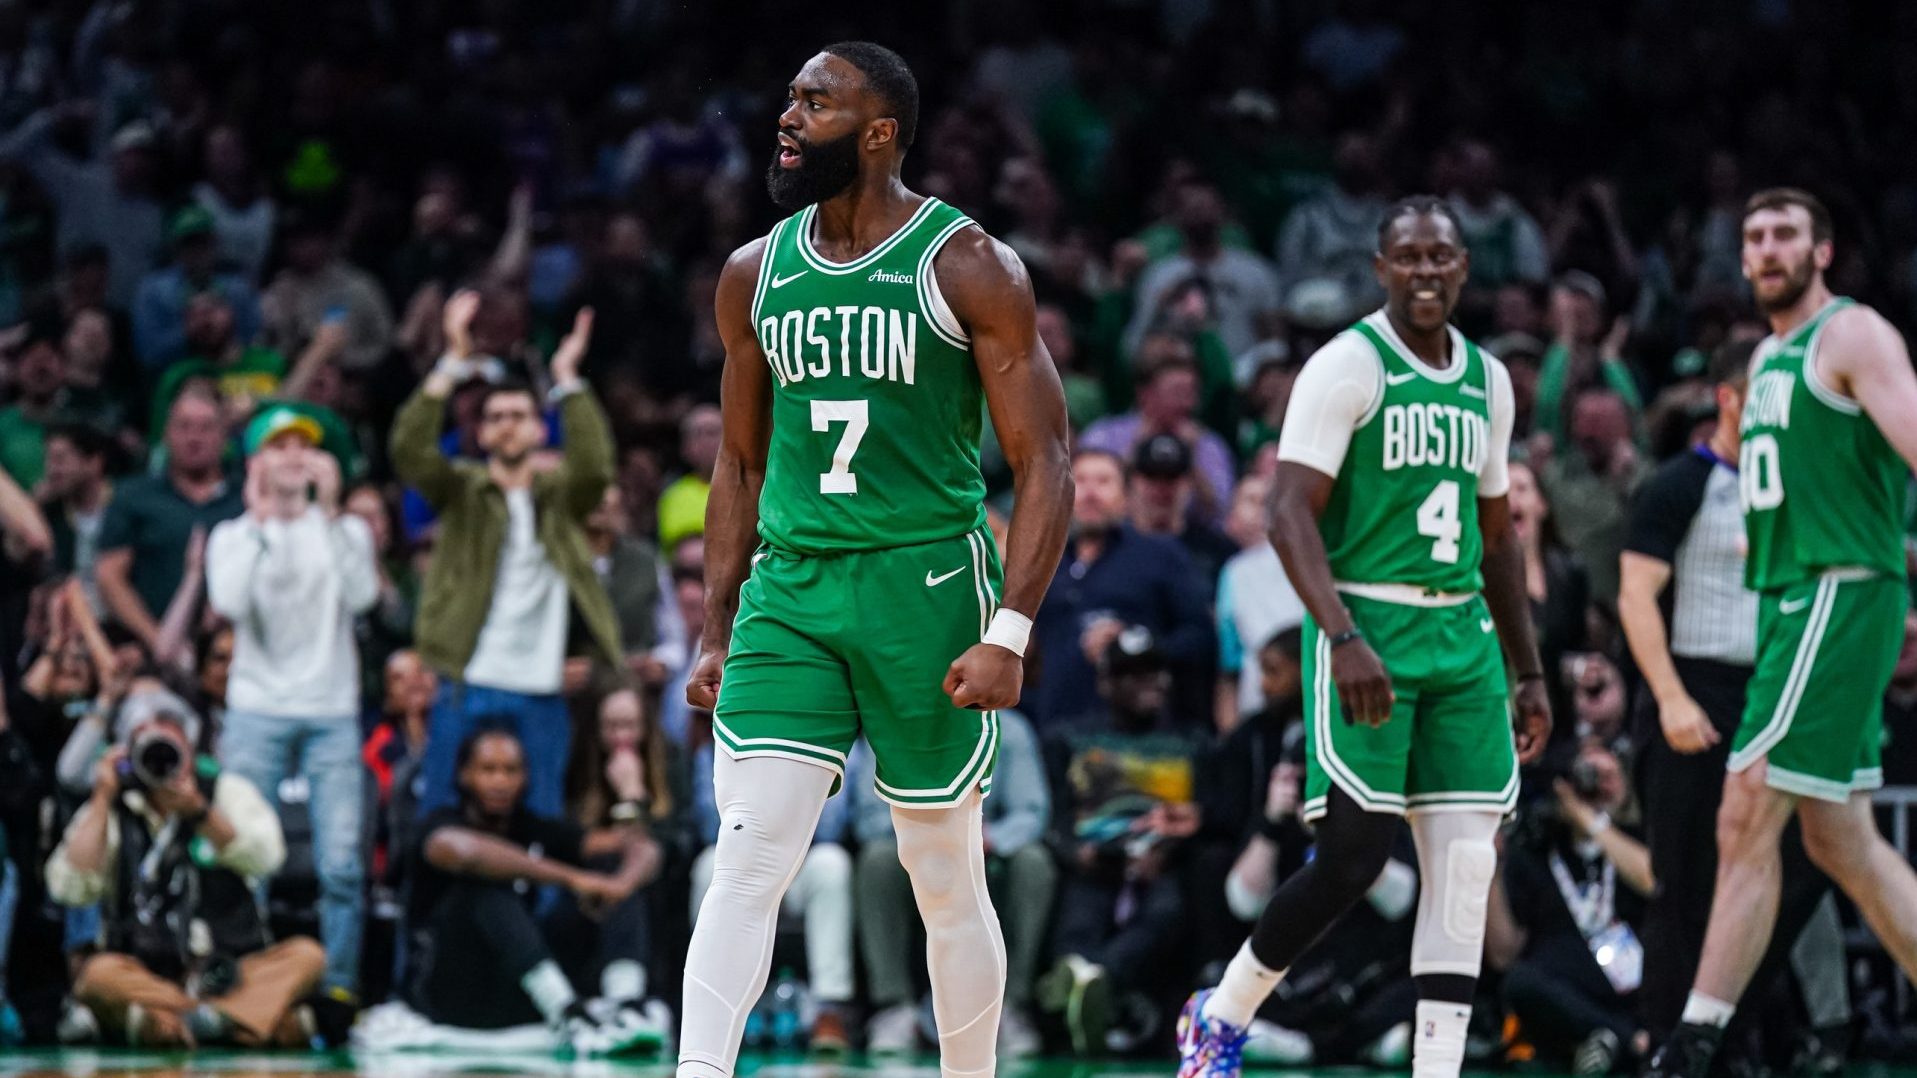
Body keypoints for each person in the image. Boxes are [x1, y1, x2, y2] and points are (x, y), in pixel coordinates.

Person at [678, 42, 1073, 1078]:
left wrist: (1010, 631)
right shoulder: (754, 273)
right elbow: (737, 462)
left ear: (881, 130)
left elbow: (1046, 463)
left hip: (925, 581)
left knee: (941, 869)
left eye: (817, 101)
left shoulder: (969, 263)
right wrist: (715, 630)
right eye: (791, 98)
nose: (790, 116)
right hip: (795, 586)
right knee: (752, 851)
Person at [1178, 196, 1552, 1078]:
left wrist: (1528, 668)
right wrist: (1340, 635)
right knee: (1351, 858)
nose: (1425, 271)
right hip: (1370, 621)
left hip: (1460, 635)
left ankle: (1436, 1069)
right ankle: (1222, 1010)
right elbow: (1284, 514)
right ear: (1379, 269)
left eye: (1441, 257)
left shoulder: (1488, 380)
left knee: (1464, 865)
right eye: (1408, 257)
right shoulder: (1345, 367)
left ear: (1464, 268)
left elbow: (1497, 536)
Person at [1647, 189, 1917, 1077]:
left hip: (1834, 590)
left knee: (1744, 810)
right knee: (1841, 844)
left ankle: (1690, 1046)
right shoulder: (1764, 358)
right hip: (1792, 599)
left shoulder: (1852, 335)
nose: (1765, 250)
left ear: (1823, 250)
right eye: (1754, 237)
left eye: (1784, 235)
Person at [392, 294, 621, 819]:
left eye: (519, 415)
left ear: (541, 428)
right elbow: (409, 451)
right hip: (464, 677)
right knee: (441, 813)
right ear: (481, 431)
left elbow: (594, 468)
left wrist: (566, 378)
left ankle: (534, 904)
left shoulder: (560, 498)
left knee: (543, 817)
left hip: (541, 685)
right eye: (495, 416)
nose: (507, 424)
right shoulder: (462, 490)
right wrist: (450, 365)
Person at [206, 405, 378, 1002]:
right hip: (255, 708)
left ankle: (338, 991)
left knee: (341, 866)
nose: (293, 456)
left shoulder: (345, 530)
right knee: (244, 855)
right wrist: (258, 518)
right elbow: (228, 603)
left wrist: (331, 513)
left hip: (331, 710)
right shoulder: (233, 535)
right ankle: (248, 987)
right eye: (278, 447)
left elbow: (363, 596)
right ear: (255, 461)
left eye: (302, 445)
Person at [44, 700, 324, 1048]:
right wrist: (101, 797)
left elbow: (268, 857)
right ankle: (235, 1021)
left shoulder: (225, 792)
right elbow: (68, 887)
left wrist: (202, 813)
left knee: (308, 956)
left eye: (170, 749)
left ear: (190, 752)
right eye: (149, 749)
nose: (161, 762)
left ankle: (168, 1025)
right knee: (97, 976)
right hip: (147, 972)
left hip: (232, 970)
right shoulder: (117, 805)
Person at [405, 724, 665, 1055]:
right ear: (464, 775)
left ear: (525, 777)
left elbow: (641, 848)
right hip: (451, 992)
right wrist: (572, 879)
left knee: (609, 870)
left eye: (510, 770)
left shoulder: (533, 826)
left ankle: (626, 1006)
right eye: (488, 770)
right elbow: (466, 853)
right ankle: (567, 1013)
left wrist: (619, 885)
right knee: (487, 886)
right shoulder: (441, 823)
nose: (500, 781)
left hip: (514, 990)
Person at [848, 706, 1055, 1058]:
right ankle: (894, 1008)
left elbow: (1031, 812)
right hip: (915, 847)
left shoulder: (1010, 727)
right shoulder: (889, 720)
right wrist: (931, 833)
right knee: (877, 860)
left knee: (1034, 863)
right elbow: (869, 818)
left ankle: (1012, 1009)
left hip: (985, 853)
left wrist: (988, 837)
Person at [1043, 631, 1207, 1054]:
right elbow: (1055, 816)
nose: (1147, 683)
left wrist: (1171, 849)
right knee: (1077, 919)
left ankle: (1091, 982)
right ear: (1106, 684)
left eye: (1153, 672)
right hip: (1095, 863)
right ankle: (1082, 1010)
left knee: (1167, 912)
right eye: (1131, 675)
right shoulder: (1069, 738)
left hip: (1163, 864)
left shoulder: (1194, 744)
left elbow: (1210, 818)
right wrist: (1077, 853)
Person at [1486, 744, 1652, 1074]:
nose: (1596, 787)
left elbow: (1649, 879)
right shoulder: (1538, 850)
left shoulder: (1639, 839)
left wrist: (1588, 819)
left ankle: (1607, 1042)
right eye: (1586, 777)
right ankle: (1622, 1041)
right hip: (1567, 992)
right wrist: (1491, 866)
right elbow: (1503, 955)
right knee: (1520, 982)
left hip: (1635, 985)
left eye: (1607, 777)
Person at [1031, 448, 1214, 728]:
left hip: (1137, 739)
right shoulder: (1043, 559)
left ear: (1126, 497)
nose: (1090, 493)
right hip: (1054, 729)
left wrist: (1137, 644)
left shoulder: (1160, 554)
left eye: (1103, 482)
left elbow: (1201, 638)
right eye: (1079, 481)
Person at [94, 387, 244, 651]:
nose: (194, 438)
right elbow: (109, 577)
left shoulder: (247, 500)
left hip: (233, 652)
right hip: (146, 651)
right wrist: (159, 642)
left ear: (224, 435)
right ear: (165, 434)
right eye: (183, 427)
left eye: (206, 428)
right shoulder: (134, 496)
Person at [658, 405, 720, 552]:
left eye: (713, 432)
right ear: (685, 447)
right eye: (698, 434)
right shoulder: (674, 496)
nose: (706, 442)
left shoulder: (754, 489)